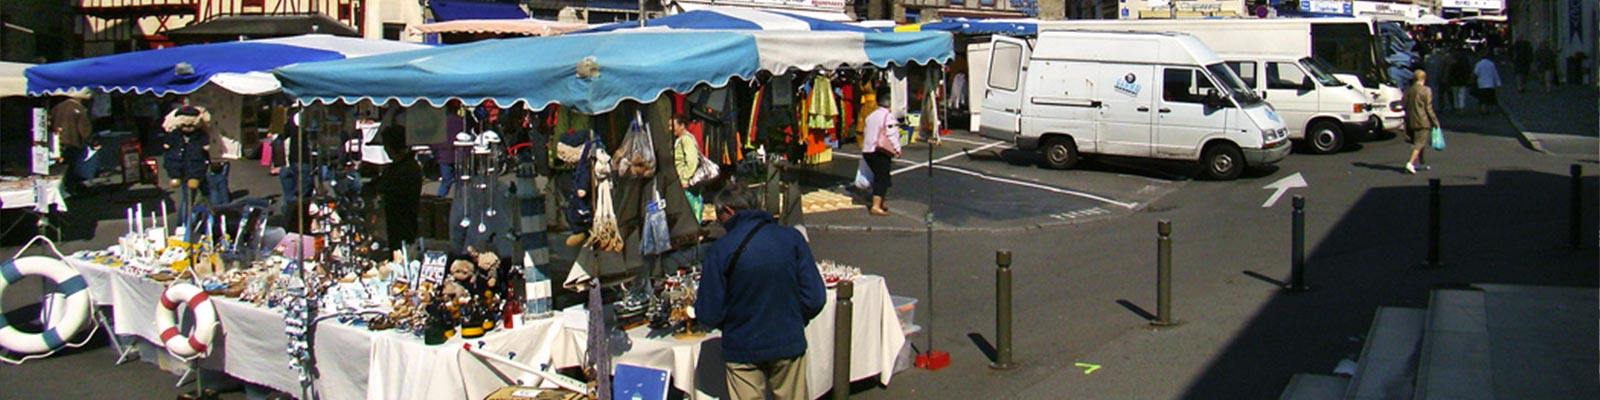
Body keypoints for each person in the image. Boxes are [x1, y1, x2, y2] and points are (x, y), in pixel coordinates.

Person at [696, 186, 825, 400]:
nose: (720, 223)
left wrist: (733, 321)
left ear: (728, 211)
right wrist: (792, 317)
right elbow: (815, 297)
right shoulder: (791, 239)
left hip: (742, 344)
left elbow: (709, 313)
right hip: (787, 338)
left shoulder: (720, 249)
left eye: (719, 217)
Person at [860, 93, 900, 216]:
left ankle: (880, 202)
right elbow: (891, 134)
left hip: (868, 149)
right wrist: (897, 148)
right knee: (881, 178)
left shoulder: (870, 116)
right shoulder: (888, 117)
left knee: (880, 176)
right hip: (880, 150)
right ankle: (876, 205)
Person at [51, 89, 95, 195]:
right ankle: (71, 189)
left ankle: (63, 188)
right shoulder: (79, 109)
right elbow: (84, 130)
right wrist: (93, 142)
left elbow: (51, 122)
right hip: (72, 141)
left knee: (61, 167)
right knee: (71, 167)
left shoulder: (58, 107)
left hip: (58, 140)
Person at [1403, 70, 1441, 175]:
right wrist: (1435, 121)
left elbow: (1404, 104)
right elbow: (1428, 108)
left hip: (1411, 120)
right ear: (1424, 78)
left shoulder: (1408, 90)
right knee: (1419, 143)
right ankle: (1410, 163)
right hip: (1423, 120)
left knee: (1420, 141)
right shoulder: (1426, 90)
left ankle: (1422, 162)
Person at [669, 114, 704, 222]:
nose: (670, 129)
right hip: (683, 181)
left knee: (692, 208)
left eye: (673, 126)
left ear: (682, 125)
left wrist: (685, 178)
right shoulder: (680, 139)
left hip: (687, 182)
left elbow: (692, 160)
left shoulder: (686, 139)